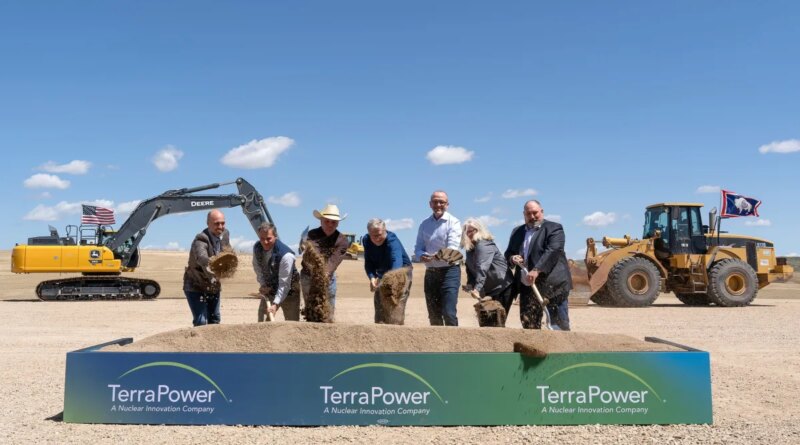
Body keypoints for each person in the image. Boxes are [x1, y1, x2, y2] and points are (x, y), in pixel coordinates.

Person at [504, 200, 572, 330]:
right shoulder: (517, 232)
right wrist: (513, 258)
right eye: (528, 214)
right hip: (527, 286)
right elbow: (508, 253)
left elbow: (553, 251)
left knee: (558, 326)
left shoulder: (554, 228)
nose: (532, 217)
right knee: (529, 324)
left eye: (535, 213)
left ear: (542, 211)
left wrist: (537, 269)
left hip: (553, 285)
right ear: (524, 214)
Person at [414, 190, 462, 326]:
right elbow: (418, 247)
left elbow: (452, 248)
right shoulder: (424, 224)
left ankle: (453, 344)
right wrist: (421, 255)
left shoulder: (454, 222)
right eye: (435, 202)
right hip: (431, 273)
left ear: (447, 204)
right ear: (430, 204)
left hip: (450, 272)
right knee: (433, 314)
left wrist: (436, 256)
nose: (438, 205)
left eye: (442, 202)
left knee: (449, 312)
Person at [300, 204, 350, 318]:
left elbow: (334, 261)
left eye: (334, 222)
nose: (330, 225)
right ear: (321, 221)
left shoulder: (342, 241)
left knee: (328, 309)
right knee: (311, 308)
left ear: (338, 223)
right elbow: (313, 254)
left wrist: (325, 273)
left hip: (328, 278)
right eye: (327, 221)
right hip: (308, 276)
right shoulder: (311, 235)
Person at [182, 209, 230, 326]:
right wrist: (215, 263)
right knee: (201, 322)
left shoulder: (225, 234)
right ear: (208, 223)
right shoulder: (201, 239)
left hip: (213, 286)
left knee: (215, 320)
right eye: (216, 223)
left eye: (223, 223)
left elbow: (228, 250)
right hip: (195, 285)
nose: (220, 226)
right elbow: (201, 258)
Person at [362, 218, 413, 324]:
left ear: (385, 230)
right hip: (383, 274)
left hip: (401, 273)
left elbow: (396, 261)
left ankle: (396, 327)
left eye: (379, 234)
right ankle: (380, 327)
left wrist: (392, 282)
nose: (377, 238)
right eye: (373, 235)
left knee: (395, 303)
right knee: (380, 304)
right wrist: (372, 277)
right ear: (369, 233)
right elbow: (369, 262)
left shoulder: (392, 240)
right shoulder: (366, 240)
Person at [461, 218, 514, 314]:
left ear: (479, 230)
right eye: (466, 231)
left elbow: (482, 268)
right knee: (488, 322)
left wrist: (477, 289)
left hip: (503, 287)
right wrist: (470, 284)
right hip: (488, 290)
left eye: (472, 231)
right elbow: (470, 270)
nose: (469, 234)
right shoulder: (470, 249)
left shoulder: (483, 245)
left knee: (497, 320)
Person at [253, 222, 301, 322]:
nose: (265, 242)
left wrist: (275, 304)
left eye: (269, 238)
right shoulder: (257, 248)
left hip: (290, 290)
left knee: (291, 323)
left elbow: (284, 284)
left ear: (275, 236)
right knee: (262, 320)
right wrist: (263, 285)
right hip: (270, 287)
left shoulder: (286, 256)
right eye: (262, 238)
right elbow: (258, 268)